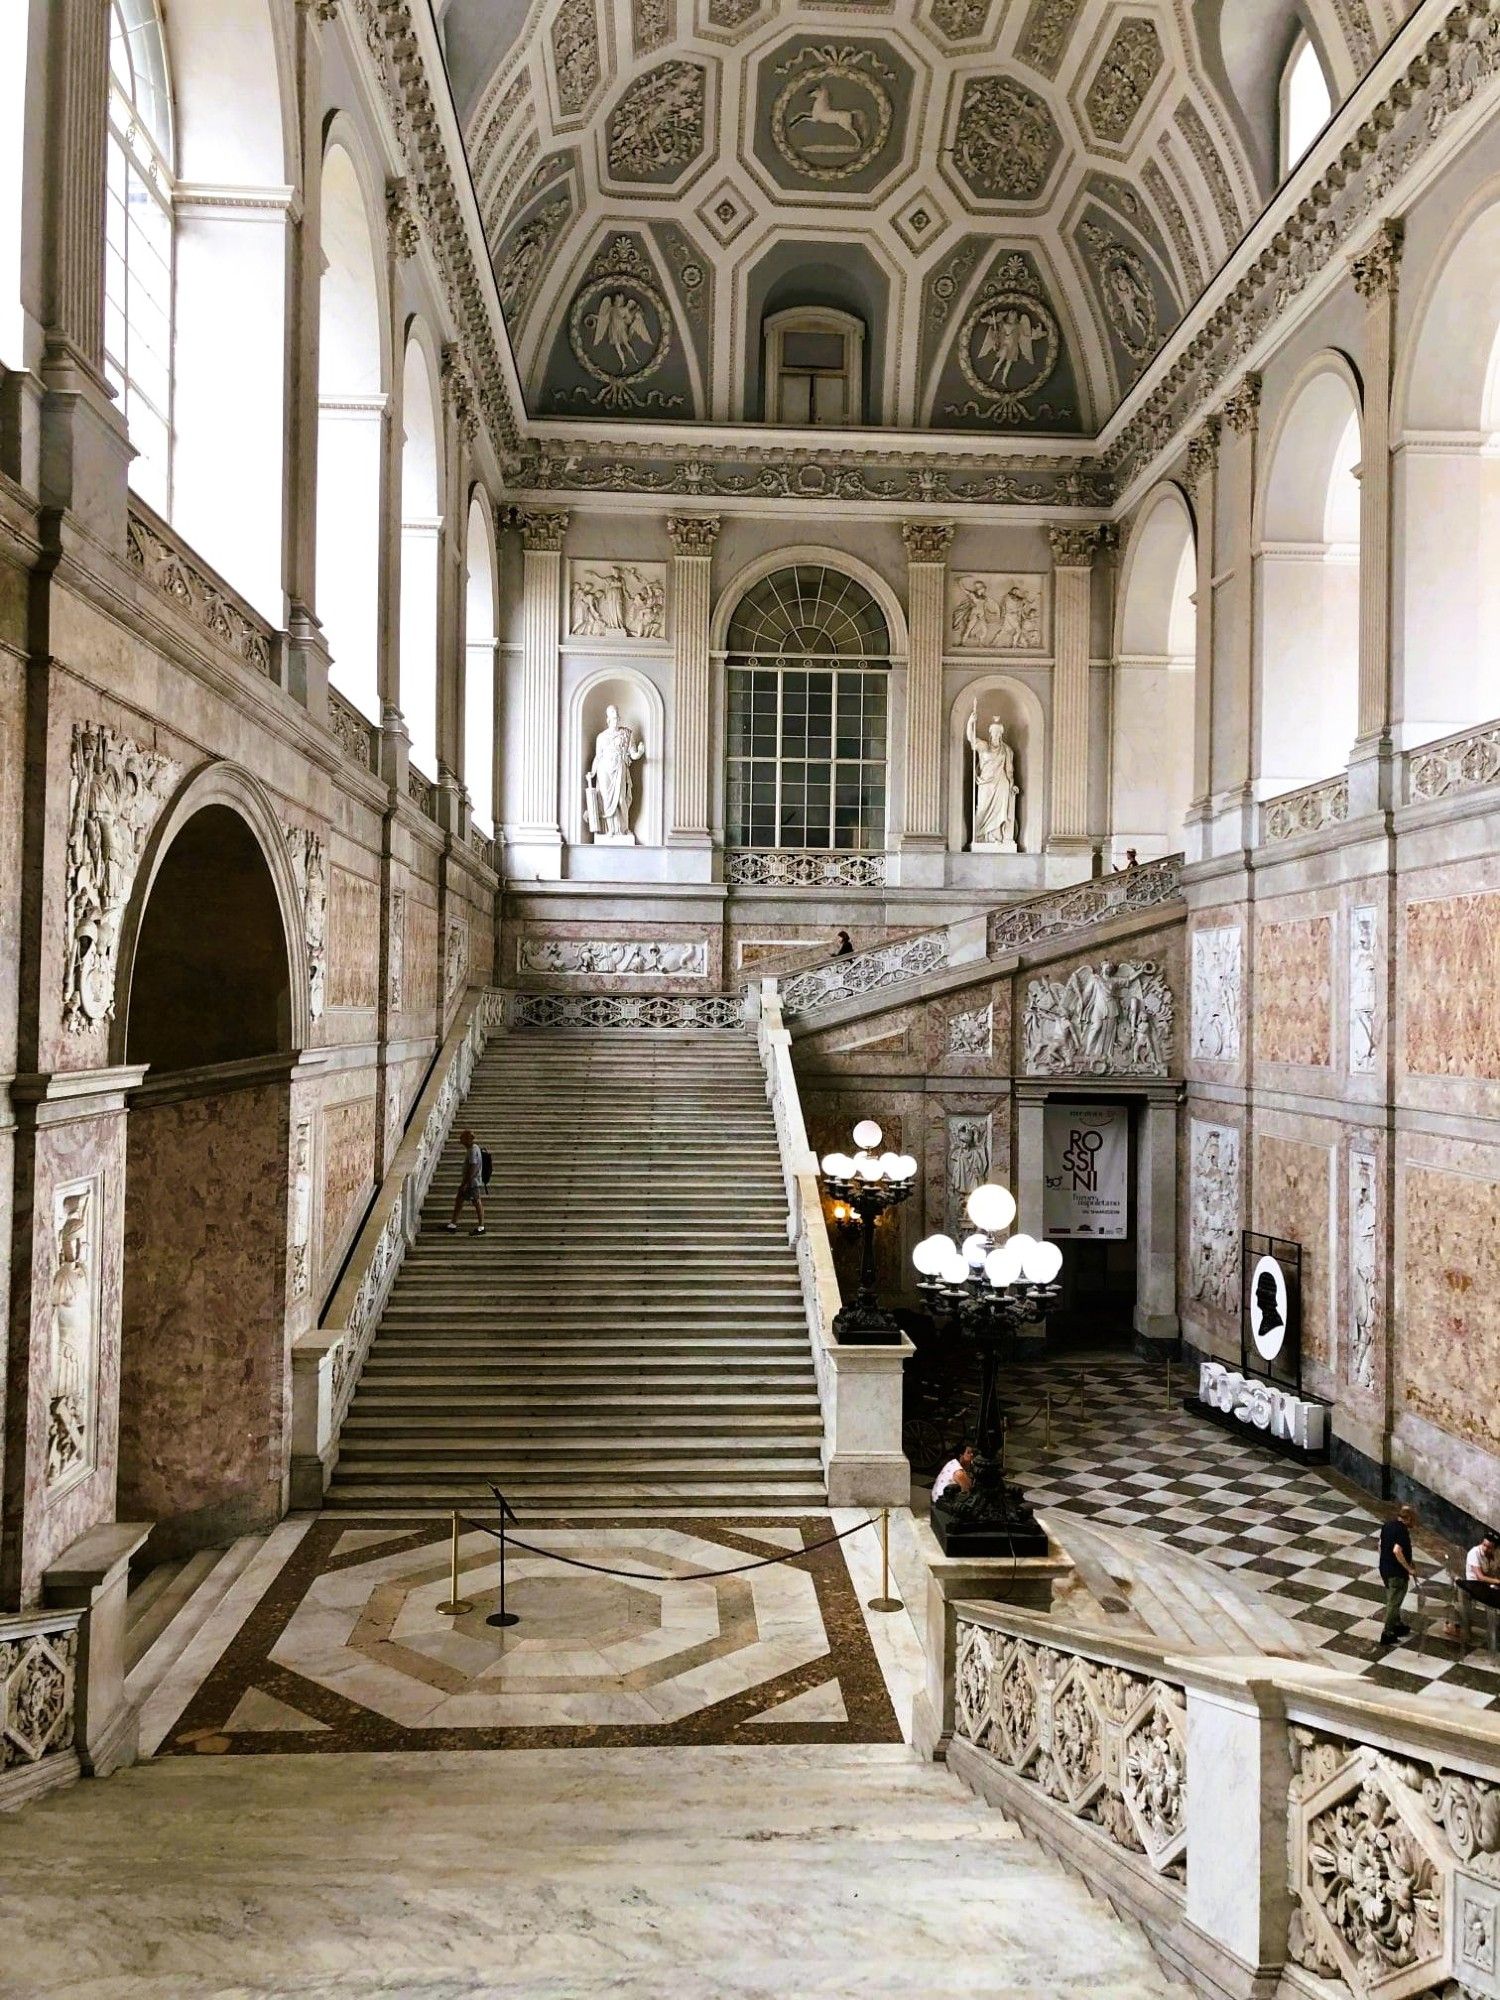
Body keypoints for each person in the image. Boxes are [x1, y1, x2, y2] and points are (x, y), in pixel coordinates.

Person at [1377, 1503, 1417, 1646]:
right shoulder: (1402, 1531)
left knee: (1393, 1597)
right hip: (1396, 1572)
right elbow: (1397, 1550)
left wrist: (1384, 1561)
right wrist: (1408, 1568)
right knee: (1394, 1601)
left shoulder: (1388, 1525)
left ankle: (1397, 1624)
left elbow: (1380, 1544)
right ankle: (1387, 1632)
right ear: (1409, 1518)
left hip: (1384, 1568)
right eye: (1414, 1520)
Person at [447, 1127, 486, 1235]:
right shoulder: (473, 1148)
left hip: (472, 1183)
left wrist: (465, 1183)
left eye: (462, 1139)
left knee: (476, 1202)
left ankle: (481, 1227)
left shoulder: (473, 1150)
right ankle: (452, 1224)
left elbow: (473, 1167)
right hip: (471, 1182)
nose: (460, 1141)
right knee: (459, 1200)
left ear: (468, 1139)